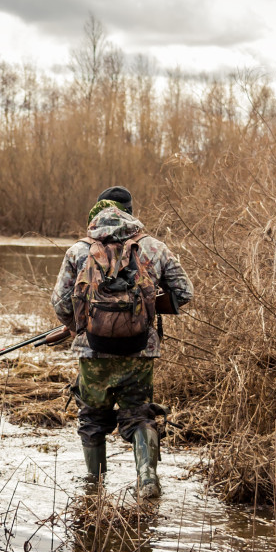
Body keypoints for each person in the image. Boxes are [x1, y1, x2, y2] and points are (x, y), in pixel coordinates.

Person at [50, 186, 193, 498]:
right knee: (140, 414)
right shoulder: (153, 247)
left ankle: (93, 486)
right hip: (140, 349)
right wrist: (150, 305)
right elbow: (185, 293)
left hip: (93, 351)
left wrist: (77, 327)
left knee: (92, 417)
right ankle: (147, 478)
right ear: (131, 211)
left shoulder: (78, 251)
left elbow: (60, 302)